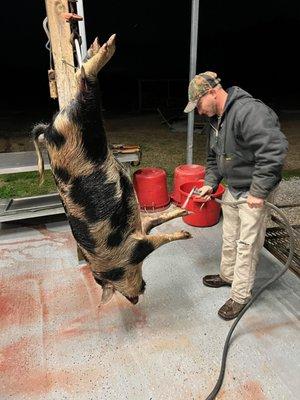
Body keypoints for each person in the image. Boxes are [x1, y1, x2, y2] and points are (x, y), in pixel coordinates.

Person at [184, 72, 288, 320]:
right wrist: (210, 183)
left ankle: (240, 295)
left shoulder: (248, 112)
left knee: (247, 245)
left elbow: (274, 150)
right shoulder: (218, 120)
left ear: (211, 92)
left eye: (198, 104)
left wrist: (259, 191)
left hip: (253, 192)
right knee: (230, 236)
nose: (198, 111)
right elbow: (213, 157)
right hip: (234, 188)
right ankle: (227, 276)